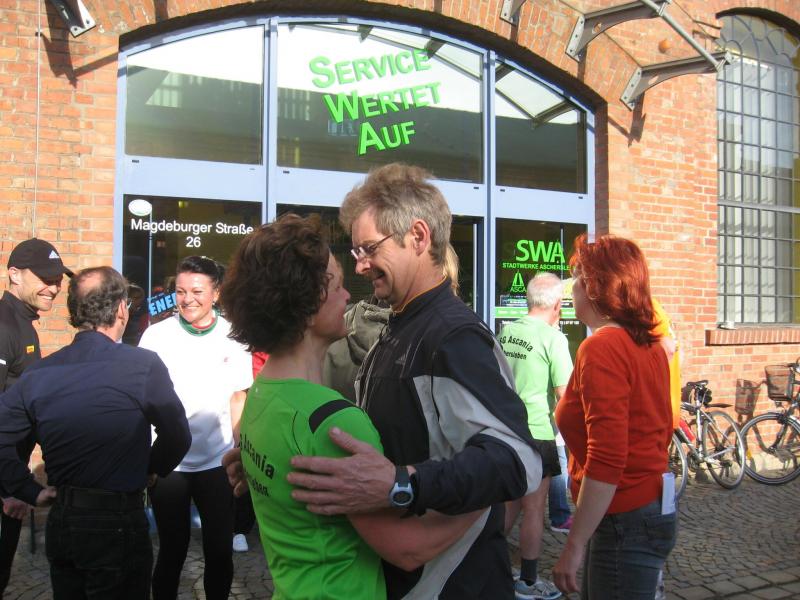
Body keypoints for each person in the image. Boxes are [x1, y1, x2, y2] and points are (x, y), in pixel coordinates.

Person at [282, 163, 545, 599]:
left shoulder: (454, 337)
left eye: (369, 249)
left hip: (456, 586)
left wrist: (401, 483)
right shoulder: (400, 324)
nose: (360, 266)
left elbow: (518, 460)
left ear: (418, 237)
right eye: (356, 252)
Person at [219, 213, 480, 599]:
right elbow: (407, 549)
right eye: (339, 285)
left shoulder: (259, 395)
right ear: (308, 307)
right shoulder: (334, 423)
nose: (348, 297)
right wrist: (485, 500)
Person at [0, 266, 191, 599]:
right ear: (121, 309)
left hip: (65, 521)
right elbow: (178, 436)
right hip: (117, 520)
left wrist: (28, 490)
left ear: (75, 312)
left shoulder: (39, 373)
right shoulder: (142, 365)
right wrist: (150, 468)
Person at [552, 234, 677, 599]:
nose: (571, 289)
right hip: (646, 507)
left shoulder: (603, 347)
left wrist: (574, 544)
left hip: (626, 516)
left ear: (595, 287)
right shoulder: (649, 344)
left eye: (577, 278)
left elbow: (607, 458)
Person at [138, 256, 253, 600]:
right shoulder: (156, 336)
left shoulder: (234, 336)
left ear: (216, 293)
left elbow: (238, 398)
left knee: (219, 551)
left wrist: (239, 452)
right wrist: (148, 460)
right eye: (180, 291)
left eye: (197, 291)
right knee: (172, 550)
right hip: (170, 465)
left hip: (218, 462)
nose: (187, 299)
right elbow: (142, 403)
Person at [0, 237, 72, 595]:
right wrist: (9, 490)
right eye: (45, 278)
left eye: (57, 279)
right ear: (14, 274)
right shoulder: (5, 328)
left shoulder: (23, 324)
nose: (54, 287)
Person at [499, 272, 572, 600]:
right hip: (537, 434)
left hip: (506, 431)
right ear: (557, 305)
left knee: (509, 503)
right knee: (533, 509)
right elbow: (565, 396)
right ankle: (528, 582)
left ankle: (487, 563)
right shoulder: (554, 339)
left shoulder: (506, 332)